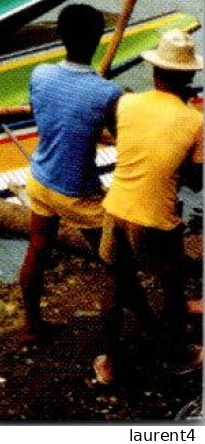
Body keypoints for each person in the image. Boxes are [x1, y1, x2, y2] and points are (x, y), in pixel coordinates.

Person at [92, 29, 203, 384]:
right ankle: (180, 354)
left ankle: (110, 364)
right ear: (189, 76)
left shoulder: (125, 103)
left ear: (155, 71)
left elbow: (124, 137)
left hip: (115, 205)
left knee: (115, 282)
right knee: (170, 286)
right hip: (154, 217)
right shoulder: (196, 121)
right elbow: (196, 181)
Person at [16, 3, 119, 344]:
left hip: (40, 177)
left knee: (37, 249)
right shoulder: (107, 92)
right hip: (78, 193)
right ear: (98, 39)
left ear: (60, 37)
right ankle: (147, 332)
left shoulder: (40, 74)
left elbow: (42, 113)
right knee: (117, 266)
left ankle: (31, 326)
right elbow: (120, 137)